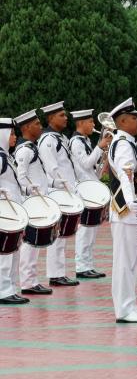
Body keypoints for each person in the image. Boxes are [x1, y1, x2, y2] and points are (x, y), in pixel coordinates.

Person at [107, 97, 137, 324]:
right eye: (134, 118)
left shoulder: (127, 142)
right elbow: (126, 176)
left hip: (129, 212)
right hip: (127, 212)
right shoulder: (124, 144)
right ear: (123, 121)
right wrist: (131, 201)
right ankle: (125, 309)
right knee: (125, 262)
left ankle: (129, 305)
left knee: (130, 261)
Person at [37, 101, 80, 288]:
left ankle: (59, 272)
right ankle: (55, 274)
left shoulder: (59, 138)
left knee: (62, 235)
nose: (66, 118)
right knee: (57, 235)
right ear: (50, 118)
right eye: (61, 115)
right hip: (58, 191)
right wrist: (66, 188)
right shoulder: (48, 140)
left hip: (66, 191)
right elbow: (52, 169)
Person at [14, 110, 53, 296]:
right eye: (37, 124)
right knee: (30, 243)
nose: (40, 126)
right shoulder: (24, 150)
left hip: (37, 201)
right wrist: (34, 192)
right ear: (27, 127)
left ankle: (31, 280)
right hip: (31, 202)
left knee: (34, 243)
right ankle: (28, 283)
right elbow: (21, 176)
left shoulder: (32, 147)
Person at [68, 109, 110, 279]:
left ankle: (88, 264)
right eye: (91, 122)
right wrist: (100, 147)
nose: (94, 125)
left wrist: (104, 160)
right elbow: (85, 164)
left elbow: (94, 171)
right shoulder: (76, 142)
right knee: (84, 229)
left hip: (91, 186)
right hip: (83, 189)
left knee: (91, 229)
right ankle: (81, 266)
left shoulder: (85, 140)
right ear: (81, 123)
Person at [0, 118, 28, 304]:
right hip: (4, 212)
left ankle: (9, 288)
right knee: (4, 255)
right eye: (11, 133)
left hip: (13, 211)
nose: (14, 137)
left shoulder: (6, 156)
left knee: (12, 252)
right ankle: (3, 290)